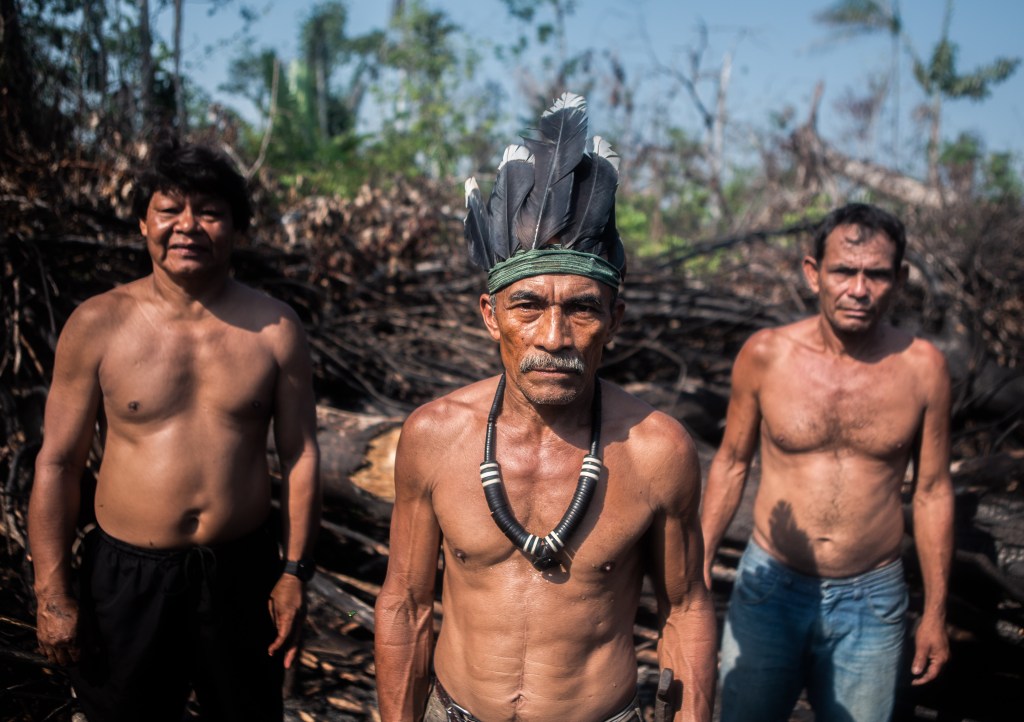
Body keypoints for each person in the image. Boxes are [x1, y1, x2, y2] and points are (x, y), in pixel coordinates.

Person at [374, 92, 716, 722]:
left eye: (581, 309)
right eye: (527, 306)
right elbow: (406, 603)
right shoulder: (436, 436)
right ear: (490, 316)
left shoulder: (656, 450)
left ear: (614, 319)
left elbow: (687, 607)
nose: (554, 338)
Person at [28, 140, 322, 722]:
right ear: (143, 221)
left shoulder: (274, 329)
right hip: (127, 579)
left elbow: (301, 455)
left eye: (209, 211)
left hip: (242, 575)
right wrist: (51, 590)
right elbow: (57, 463)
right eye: (170, 209)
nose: (188, 226)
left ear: (236, 227)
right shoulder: (97, 324)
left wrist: (292, 572)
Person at [701, 203, 954, 722]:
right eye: (844, 271)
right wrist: (697, 568)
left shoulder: (924, 368)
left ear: (899, 279)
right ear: (813, 273)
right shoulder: (767, 355)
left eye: (876, 275)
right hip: (770, 586)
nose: (858, 290)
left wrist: (935, 612)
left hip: (872, 597)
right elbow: (730, 463)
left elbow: (932, 491)